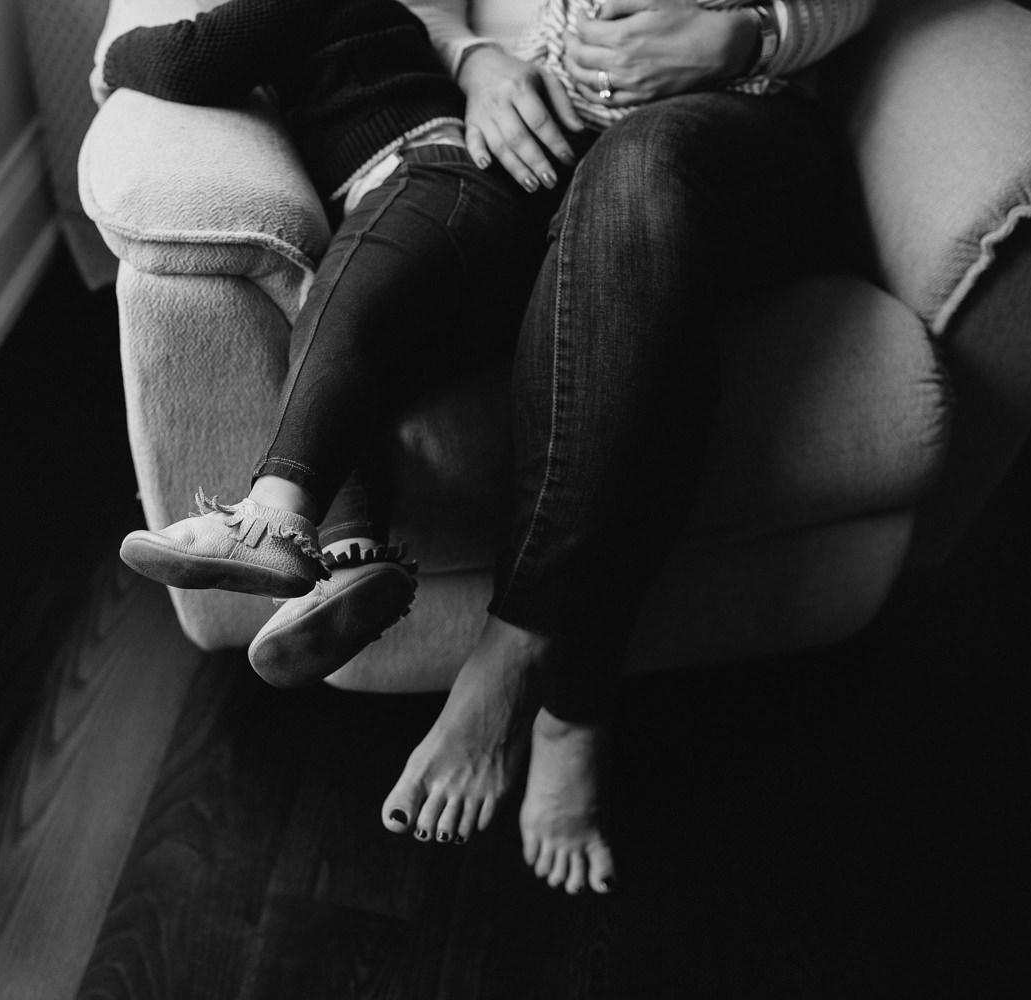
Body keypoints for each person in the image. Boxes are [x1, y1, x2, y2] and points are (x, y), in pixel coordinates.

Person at [376, 0, 878, 893]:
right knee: (637, 296)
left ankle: (517, 647)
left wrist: (749, 34)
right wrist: (475, 63)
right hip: (542, 117)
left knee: (642, 168)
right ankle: (576, 710)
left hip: (751, 125)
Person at [105, 0, 547, 687]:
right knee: (346, 344)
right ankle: (353, 558)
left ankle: (271, 520)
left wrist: (108, 60)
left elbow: (187, 56)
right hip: (482, 239)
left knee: (333, 310)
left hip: (436, 181)